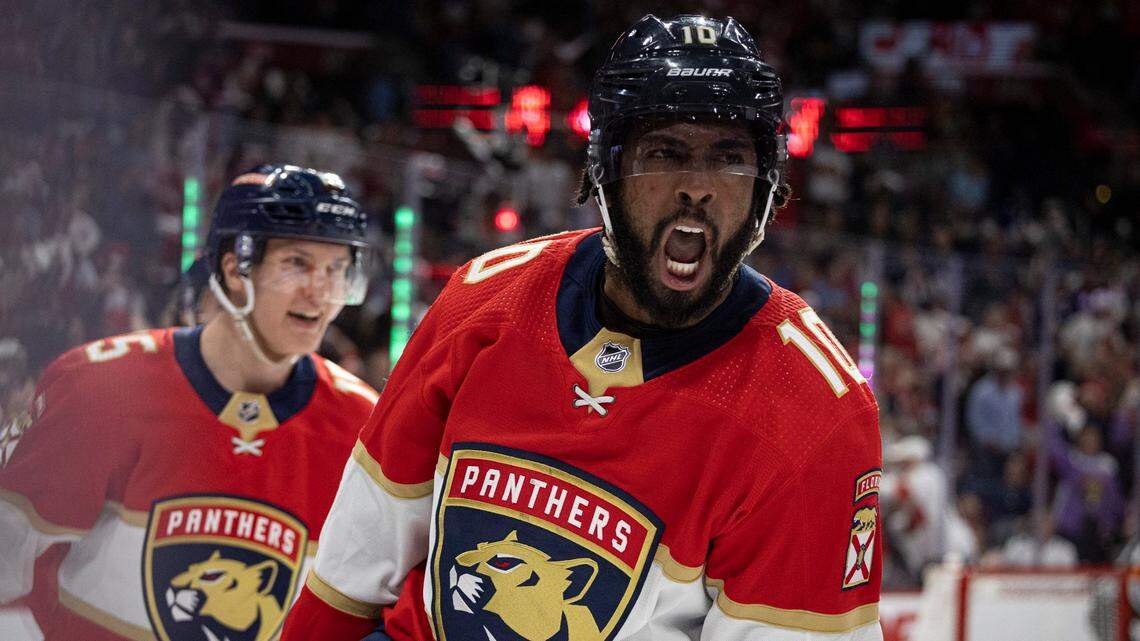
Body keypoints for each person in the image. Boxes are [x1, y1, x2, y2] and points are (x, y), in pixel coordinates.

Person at [282, 14, 882, 641]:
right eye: (665, 153)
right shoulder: (484, 300)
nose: (698, 189)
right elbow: (351, 574)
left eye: (729, 158)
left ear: (766, 189)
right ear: (604, 172)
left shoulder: (814, 411)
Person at [0, 165, 380, 641]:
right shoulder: (98, 387)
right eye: (297, 264)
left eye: (336, 269)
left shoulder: (364, 424)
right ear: (235, 269)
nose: (320, 292)